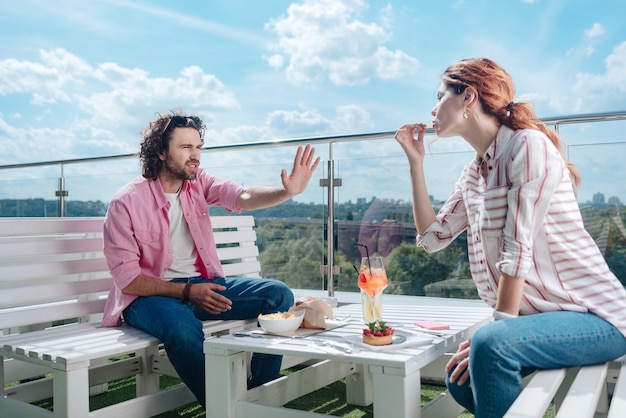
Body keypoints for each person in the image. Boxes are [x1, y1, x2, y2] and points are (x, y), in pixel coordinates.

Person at [394, 58, 626, 417]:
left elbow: (517, 252)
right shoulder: (474, 171)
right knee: (460, 381)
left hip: (598, 316)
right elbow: (432, 237)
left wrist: (496, 334)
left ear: (467, 96)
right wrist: (415, 163)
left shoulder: (527, 146)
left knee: (488, 345)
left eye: (440, 96)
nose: (432, 107)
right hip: (538, 319)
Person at [101, 110, 320, 409]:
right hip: (148, 296)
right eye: (185, 147)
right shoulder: (125, 202)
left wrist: (286, 191)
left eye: (198, 147)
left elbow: (242, 196)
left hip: (203, 287)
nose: (196, 156)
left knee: (277, 294)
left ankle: (256, 397)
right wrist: (188, 292)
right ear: (160, 153)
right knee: (181, 327)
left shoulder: (198, 183)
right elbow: (128, 280)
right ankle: (223, 407)